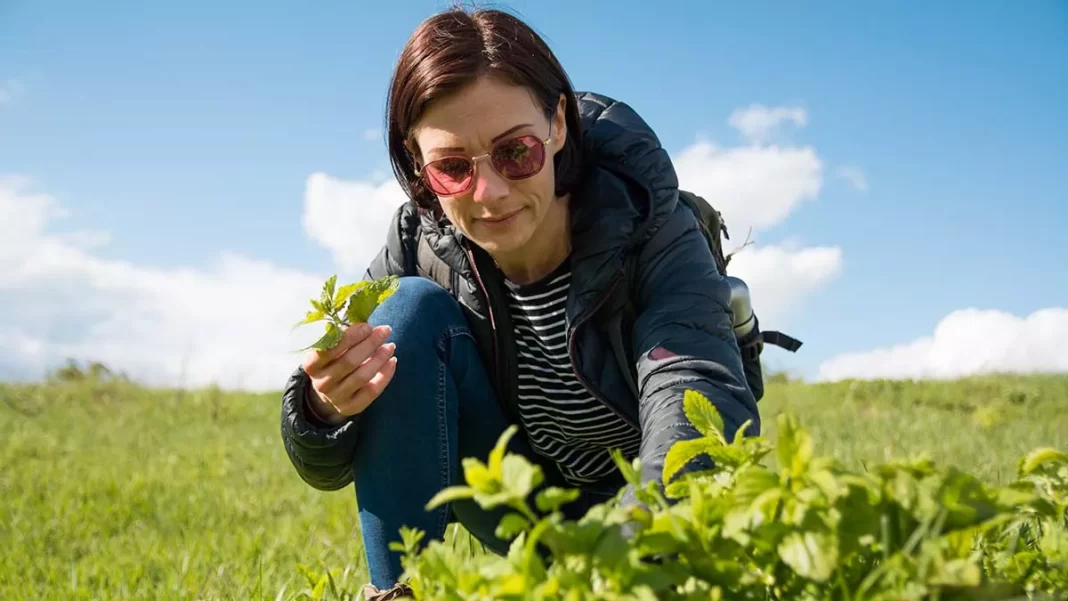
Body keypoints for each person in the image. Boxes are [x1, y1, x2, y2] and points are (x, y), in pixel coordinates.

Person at [279, 7, 769, 599]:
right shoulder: (418, 242)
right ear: (417, 162)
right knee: (403, 312)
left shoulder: (650, 223)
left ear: (557, 124)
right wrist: (324, 409)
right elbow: (324, 465)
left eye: (515, 152)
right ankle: (400, 592)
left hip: (649, 520)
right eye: (453, 168)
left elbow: (691, 389)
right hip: (523, 511)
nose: (489, 192)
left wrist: (621, 556)